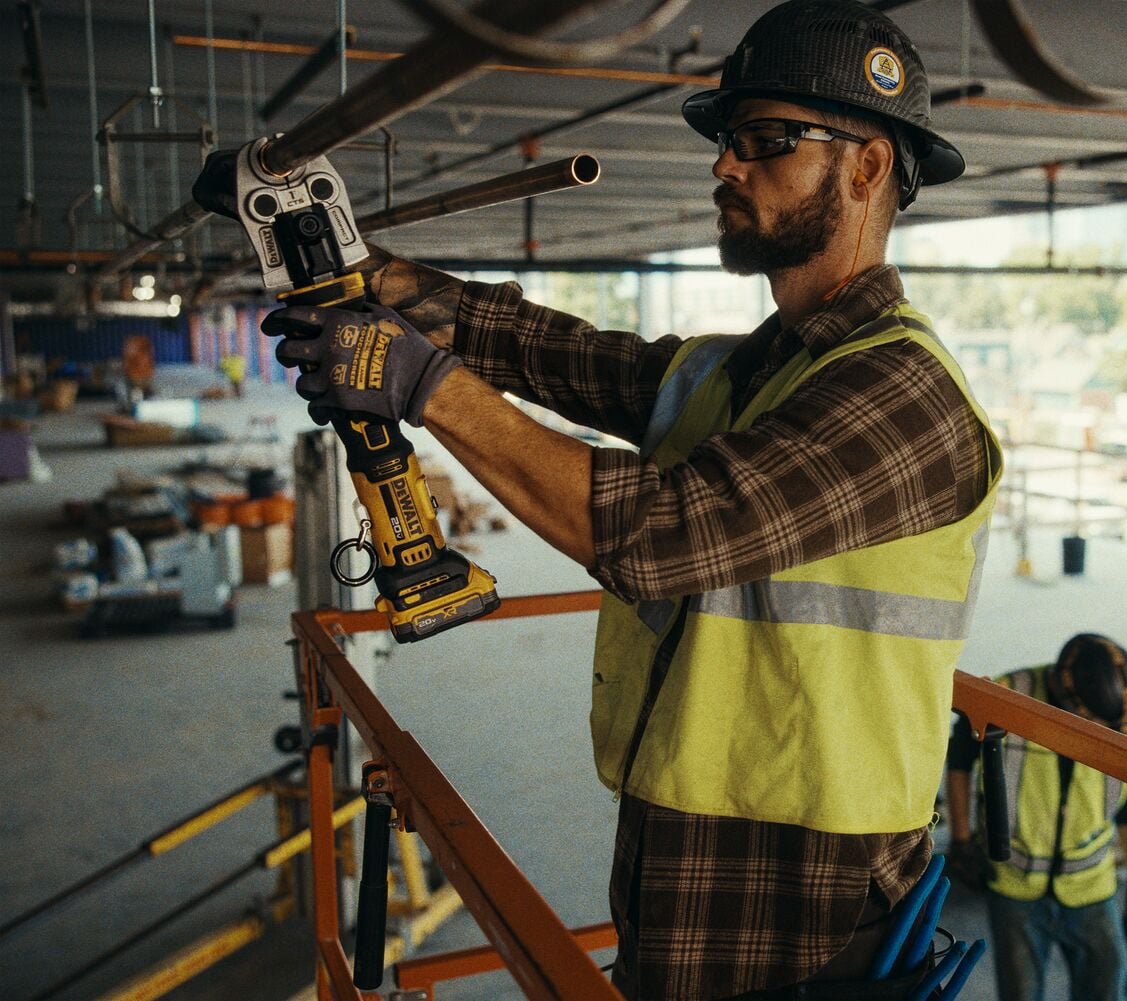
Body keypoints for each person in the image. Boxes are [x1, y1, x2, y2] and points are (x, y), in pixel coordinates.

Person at [200, 2, 1002, 997]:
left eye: (763, 142)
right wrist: (378, 281)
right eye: (728, 143)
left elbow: (663, 530)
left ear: (869, 166)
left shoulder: (903, 396)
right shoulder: (747, 369)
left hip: (809, 904)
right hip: (680, 854)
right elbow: (566, 356)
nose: (723, 166)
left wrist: (422, 384)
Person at [945, 634, 1127, 1001]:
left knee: (1108, 986)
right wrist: (962, 841)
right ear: (1069, 710)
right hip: (1015, 884)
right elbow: (959, 762)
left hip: (1091, 885)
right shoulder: (1005, 697)